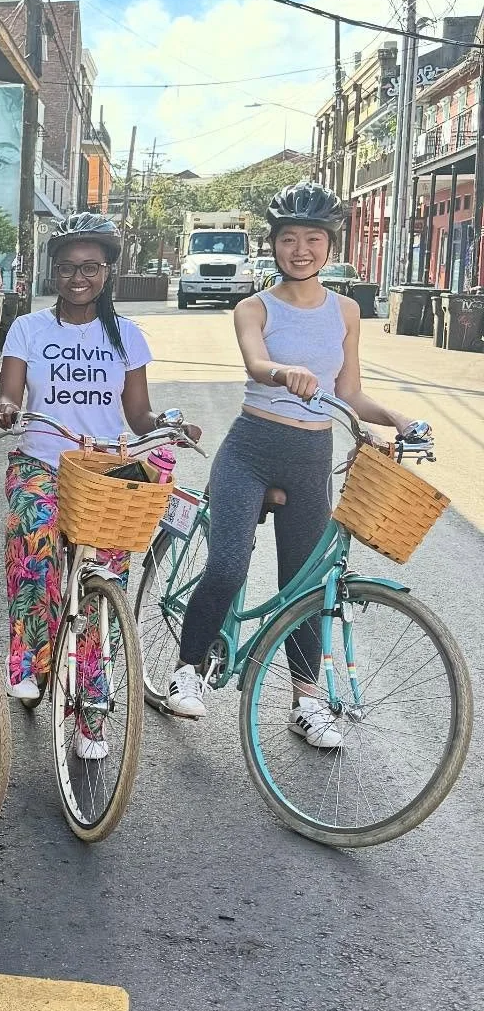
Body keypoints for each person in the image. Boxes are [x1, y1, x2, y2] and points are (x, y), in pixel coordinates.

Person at [166, 182, 415, 746]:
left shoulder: (347, 311)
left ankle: (306, 701)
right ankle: (186, 669)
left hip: (310, 457)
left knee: (304, 585)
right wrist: (283, 372)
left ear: (329, 245)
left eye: (313, 239)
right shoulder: (253, 306)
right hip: (250, 450)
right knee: (229, 564)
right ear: (273, 245)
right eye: (289, 239)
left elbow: (349, 391)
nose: (300, 249)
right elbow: (256, 362)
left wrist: (397, 420)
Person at [0, 213, 194, 759]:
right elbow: (11, 392)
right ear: (53, 272)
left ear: (108, 273)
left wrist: (170, 424)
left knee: (103, 593)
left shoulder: (127, 337)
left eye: (90, 267)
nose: (78, 277)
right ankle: (26, 660)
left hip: (106, 474)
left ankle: (91, 718)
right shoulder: (29, 328)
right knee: (32, 545)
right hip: (41, 464)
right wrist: (7, 408)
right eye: (67, 268)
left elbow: (139, 415)